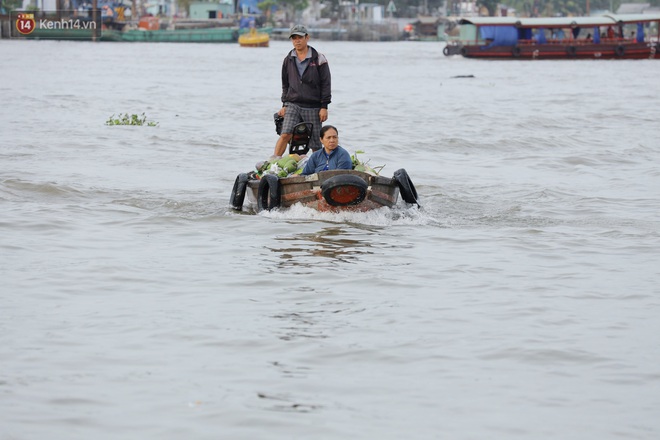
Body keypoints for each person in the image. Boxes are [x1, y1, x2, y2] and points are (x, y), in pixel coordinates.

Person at [273, 24, 331, 157]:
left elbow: (326, 84)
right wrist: (284, 105)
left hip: (313, 106)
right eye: (294, 38)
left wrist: (324, 106)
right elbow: (285, 84)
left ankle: (320, 166)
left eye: (300, 37)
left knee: (316, 142)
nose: (297, 41)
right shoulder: (288, 59)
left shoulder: (319, 59)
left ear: (307, 38)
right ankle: (274, 162)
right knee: (286, 133)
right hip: (293, 104)